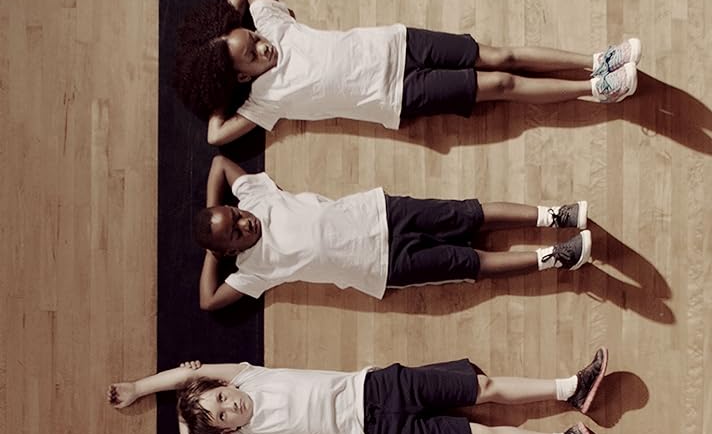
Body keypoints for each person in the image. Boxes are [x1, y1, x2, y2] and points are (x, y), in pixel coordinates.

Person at [177, 0, 639, 146]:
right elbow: (216, 135)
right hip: (399, 94)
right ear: (242, 76)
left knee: (501, 53)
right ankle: (593, 89)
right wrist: (221, 77)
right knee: (502, 84)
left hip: (401, 43)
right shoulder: (264, 100)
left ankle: (595, 59)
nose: (263, 46)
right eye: (252, 56)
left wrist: (223, 39)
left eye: (253, 37)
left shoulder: (274, 26)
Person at [105, 350, 611, 434]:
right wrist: (187, 413)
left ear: (225, 385)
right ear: (227, 431)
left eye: (219, 399)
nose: (227, 407)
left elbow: (196, 376)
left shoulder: (249, 377)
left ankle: (571, 387)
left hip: (378, 386)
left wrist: (143, 386)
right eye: (220, 417)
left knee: (483, 387)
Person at [195, 156, 593, 305]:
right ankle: (556, 257)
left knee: (471, 214)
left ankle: (555, 215)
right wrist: (214, 252)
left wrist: (218, 218)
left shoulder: (256, 197)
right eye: (236, 233)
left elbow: (219, 164)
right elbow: (208, 300)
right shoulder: (254, 269)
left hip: (383, 212)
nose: (245, 222)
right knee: (472, 263)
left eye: (235, 214)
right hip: (383, 266)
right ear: (230, 251)